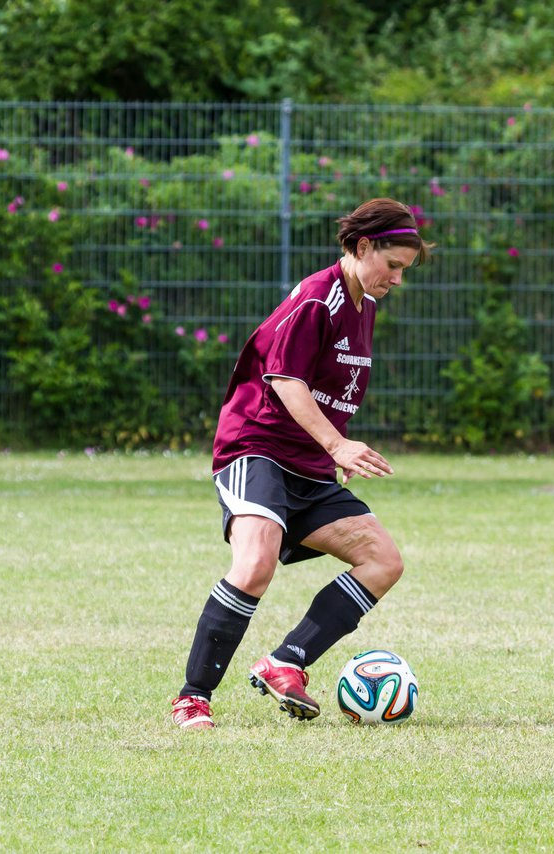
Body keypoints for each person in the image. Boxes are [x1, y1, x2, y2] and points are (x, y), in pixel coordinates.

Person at [171, 198, 433, 729]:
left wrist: (330, 450)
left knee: (384, 561)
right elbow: (285, 381)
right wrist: (338, 446)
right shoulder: (317, 300)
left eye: (405, 270)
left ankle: (285, 662)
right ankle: (193, 697)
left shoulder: (366, 307)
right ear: (363, 248)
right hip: (257, 447)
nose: (398, 279)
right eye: (394, 265)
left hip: (308, 466)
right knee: (255, 563)